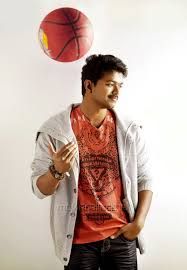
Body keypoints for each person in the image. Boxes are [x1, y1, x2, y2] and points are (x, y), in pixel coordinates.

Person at [31, 54, 153, 270]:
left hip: (122, 236)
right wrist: (56, 171)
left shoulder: (130, 130)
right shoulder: (54, 131)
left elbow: (145, 178)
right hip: (78, 243)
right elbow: (39, 189)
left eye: (120, 85)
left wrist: (139, 222)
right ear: (89, 85)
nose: (117, 91)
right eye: (110, 84)